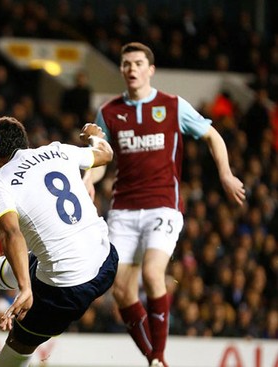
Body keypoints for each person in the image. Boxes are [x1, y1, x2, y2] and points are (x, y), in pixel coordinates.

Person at [85, 42, 245, 367]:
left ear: (150, 70)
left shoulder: (172, 106)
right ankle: (154, 360)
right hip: (123, 211)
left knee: (153, 272)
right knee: (121, 292)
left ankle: (158, 356)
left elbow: (213, 135)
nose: (132, 68)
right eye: (126, 63)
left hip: (162, 206)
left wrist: (226, 174)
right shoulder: (109, 111)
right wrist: (89, 178)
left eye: (138, 63)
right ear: (121, 69)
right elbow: (101, 158)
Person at [0, 116, 118, 367]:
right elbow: (106, 154)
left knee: (19, 344)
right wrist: (94, 135)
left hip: (66, 286)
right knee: (38, 258)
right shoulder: (58, 150)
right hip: (107, 260)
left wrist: (25, 289)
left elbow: (11, 233)